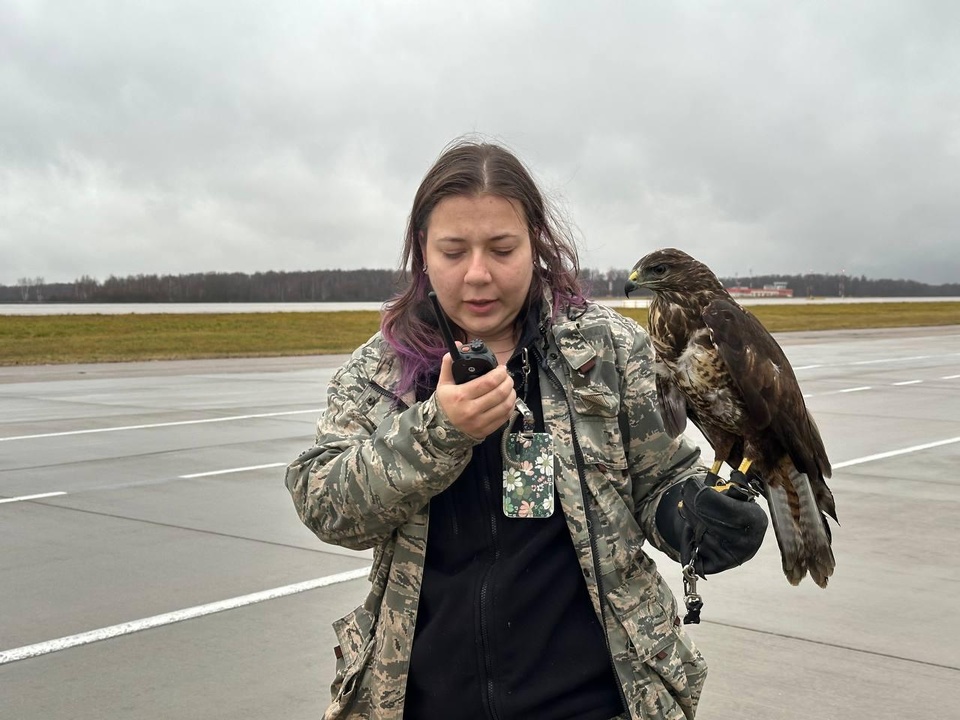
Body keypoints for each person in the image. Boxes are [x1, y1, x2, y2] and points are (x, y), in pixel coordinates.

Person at [285, 139, 767, 720]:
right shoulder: (382, 371)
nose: (478, 274)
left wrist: (693, 517)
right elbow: (325, 504)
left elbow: (662, 477)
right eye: (454, 251)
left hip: (596, 700)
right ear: (422, 253)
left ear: (536, 245)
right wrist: (439, 431)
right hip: (428, 702)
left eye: (502, 249)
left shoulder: (608, 350)